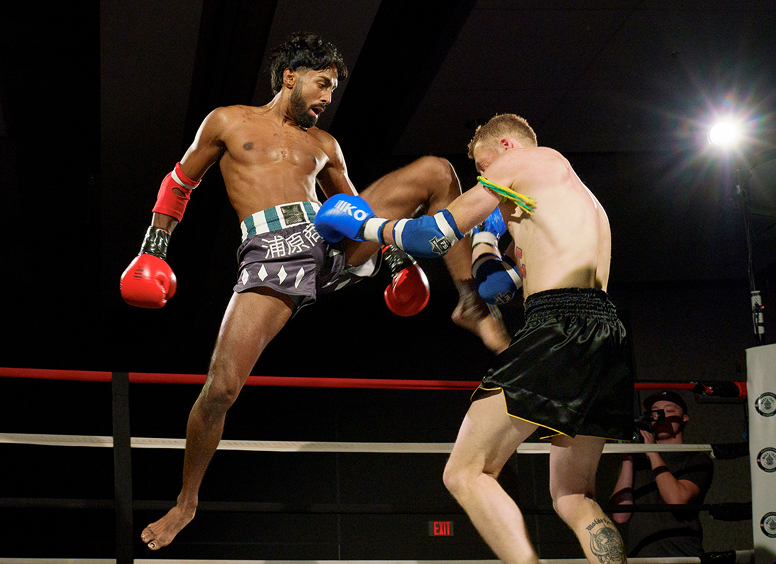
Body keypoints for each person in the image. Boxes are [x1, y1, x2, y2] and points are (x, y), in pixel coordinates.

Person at [121, 32, 509, 551]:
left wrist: (396, 261)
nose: (328, 97)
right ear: (290, 76)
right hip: (271, 256)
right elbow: (179, 183)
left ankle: (469, 301)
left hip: (330, 241)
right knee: (220, 390)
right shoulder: (227, 122)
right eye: (322, 83)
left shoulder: (324, 145)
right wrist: (154, 248)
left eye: (333, 88)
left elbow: (361, 215)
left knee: (438, 172)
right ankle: (186, 503)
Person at [314, 113, 634, 563]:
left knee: (466, 473)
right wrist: (485, 240)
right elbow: (496, 285)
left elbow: (432, 236)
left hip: (557, 326)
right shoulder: (570, 198)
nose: (485, 182)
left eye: (484, 170)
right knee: (573, 496)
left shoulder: (525, 161)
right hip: (607, 333)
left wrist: (364, 225)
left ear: (506, 146)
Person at [610, 390, 714, 557]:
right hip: (642, 557)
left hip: (681, 555)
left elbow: (677, 500)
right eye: (655, 413)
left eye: (669, 410)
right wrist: (628, 459)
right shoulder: (639, 462)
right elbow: (620, 516)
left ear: (684, 418)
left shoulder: (697, 458)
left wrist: (652, 452)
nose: (661, 417)